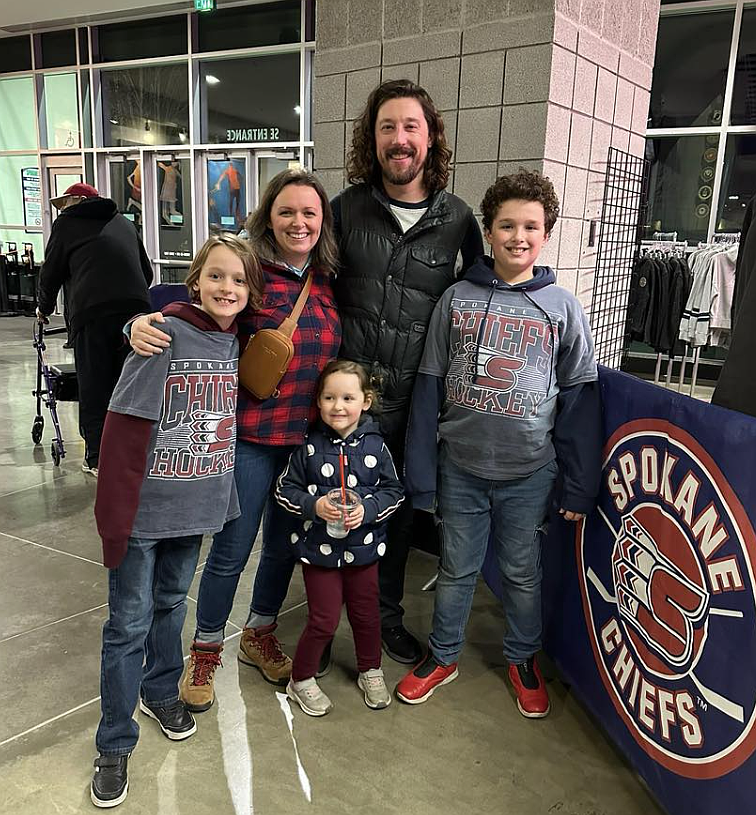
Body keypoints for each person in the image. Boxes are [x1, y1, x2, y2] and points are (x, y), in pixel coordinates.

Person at [127, 170, 341, 711]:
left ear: (322, 222)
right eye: (287, 211)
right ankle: (205, 649)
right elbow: (189, 315)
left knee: (281, 548)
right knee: (230, 552)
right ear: (269, 216)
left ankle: (258, 633)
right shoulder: (250, 275)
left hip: (304, 443)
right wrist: (133, 323)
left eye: (309, 213)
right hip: (245, 438)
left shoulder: (328, 281)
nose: (298, 222)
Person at [395, 169, 602, 717]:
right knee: (458, 568)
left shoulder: (562, 307)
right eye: (506, 225)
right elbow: (429, 388)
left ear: (547, 233)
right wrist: (421, 476)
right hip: (459, 466)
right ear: (487, 232)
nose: (518, 236)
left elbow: (580, 401)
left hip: (530, 471)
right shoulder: (457, 299)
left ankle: (522, 655)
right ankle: (443, 655)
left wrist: (579, 487)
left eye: (530, 226)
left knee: (520, 571)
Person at [90, 234, 264, 808]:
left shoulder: (235, 341)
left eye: (239, 280)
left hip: (194, 510)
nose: (227, 288)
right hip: (144, 513)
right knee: (127, 624)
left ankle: (161, 688)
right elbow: (122, 423)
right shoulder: (163, 334)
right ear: (195, 282)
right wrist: (115, 514)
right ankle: (114, 742)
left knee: (170, 605)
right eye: (216, 276)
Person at [332, 79, 484, 665]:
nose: (399, 140)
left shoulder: (458, 219)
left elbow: (484, 296)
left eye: (410, 127)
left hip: (409, 406)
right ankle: (321, 623)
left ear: (430, 136)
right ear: (372, 139)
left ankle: (384, 618)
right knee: (325, 507)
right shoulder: (344, 209)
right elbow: (285, 274)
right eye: (387, 127)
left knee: (392, 521)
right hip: (342, 403)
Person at [275, 360, 404, 716]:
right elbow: (285, 489)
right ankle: (300, 678)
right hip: (319, 552)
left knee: (366, 615)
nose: (338, 406)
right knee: (324, 619)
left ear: (365, 401)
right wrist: (313, 506)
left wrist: (370, 509)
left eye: (348, 397)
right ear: (318, 402)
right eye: (329, 397)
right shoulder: (308, 447)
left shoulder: (377, 447)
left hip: (364, 551)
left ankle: (370, 668)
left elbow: (395, 491)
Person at [36, 182, 153, 476]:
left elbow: (50, 273)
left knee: (94, 386)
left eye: (65, 203)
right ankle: (133, 452)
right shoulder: (123, 222)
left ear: (76, 200)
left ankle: (97, 458)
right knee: (129, 385)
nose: (62, 209)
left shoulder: (67, 224)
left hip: (93, 314)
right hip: (136, 313)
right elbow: (147, 271)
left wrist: (43, 309)